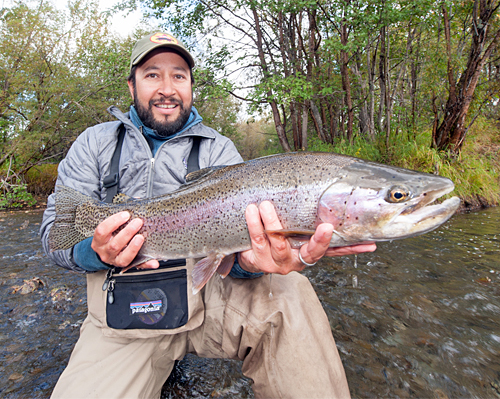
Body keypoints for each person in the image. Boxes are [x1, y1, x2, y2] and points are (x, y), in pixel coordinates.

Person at [41, 32, 376, 399]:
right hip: (124, 317)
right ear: (131, 84)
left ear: (191, 86)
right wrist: (96, 251)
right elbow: (54, 239)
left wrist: (252, 263)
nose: (167, 88)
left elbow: (236, 261)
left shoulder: (220, 149)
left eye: (179, 75)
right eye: (153, 74)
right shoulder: (95, 143)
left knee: (290, 290)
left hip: (210, 302)